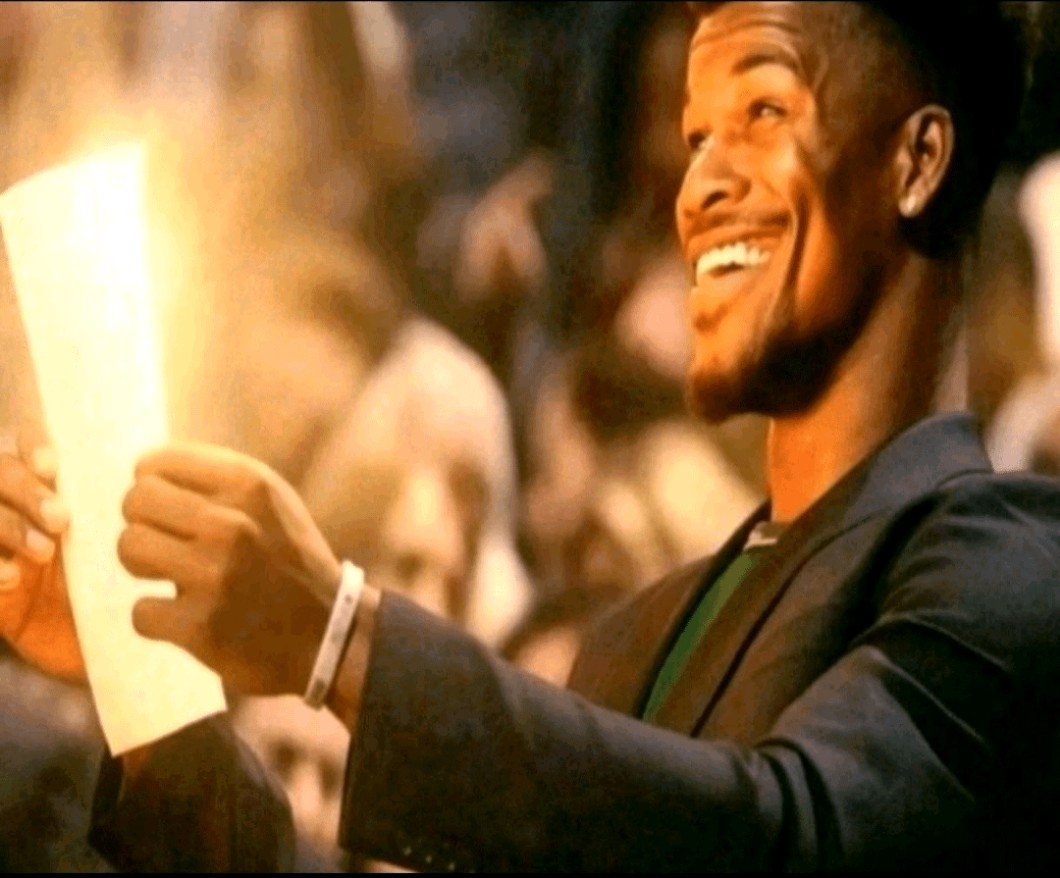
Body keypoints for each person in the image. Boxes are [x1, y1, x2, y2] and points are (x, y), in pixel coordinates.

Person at [4, 0, 1060, 871]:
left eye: (762, 110)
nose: (698, 187)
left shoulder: (1011, 565)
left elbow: (782, 839)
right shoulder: (633, 640)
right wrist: (148, 683)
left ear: (917, 160)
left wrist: (342, 639)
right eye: (696, 136)